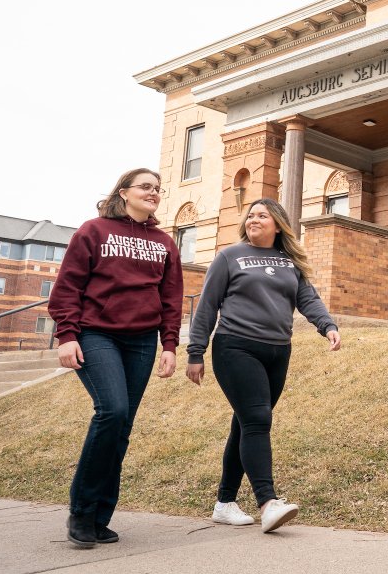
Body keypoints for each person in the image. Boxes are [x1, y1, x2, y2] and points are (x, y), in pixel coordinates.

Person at [186, 197, 341, 533]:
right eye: (250, 215)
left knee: (245, 424)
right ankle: (268, 502)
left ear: (277, 224)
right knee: (257, 419)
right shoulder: (229, 256)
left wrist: (327, 325)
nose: (253, 219)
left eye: (262, 215)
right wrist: (195, 352)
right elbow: (207, 306)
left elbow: (307, 298)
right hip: (235, 347)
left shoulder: (289, 262)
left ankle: (225, 502)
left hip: (277, 351)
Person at [49, 168, 182, 549]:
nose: (153, 193)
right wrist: (67, 335)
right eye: (145, 187)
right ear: (123, 192)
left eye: (157, 189)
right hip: (96, 333)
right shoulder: (93, 231)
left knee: (122, 426)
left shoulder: (164, 242)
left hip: (140, 341)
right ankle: (81, 510)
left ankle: (99, 517)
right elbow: (68, 286)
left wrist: (168, 345)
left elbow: (172, 299)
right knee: (112, 411)